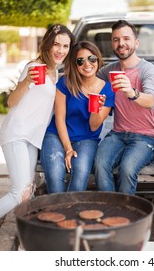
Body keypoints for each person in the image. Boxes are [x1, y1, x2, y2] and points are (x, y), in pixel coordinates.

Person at [0, 24, 75, 251]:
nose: (61, 50)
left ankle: (26, 238)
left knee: (27, 192)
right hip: (16, 133)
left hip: (31, 138)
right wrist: (26, 81)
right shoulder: (33, 66)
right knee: (19, 190)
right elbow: (11, 102)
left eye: (65, 46)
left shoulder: (55, 71)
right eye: (56, 44)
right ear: (47, 43)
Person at [94, 20, 154, 195]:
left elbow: (151, 100)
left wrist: (131, 92)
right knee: (99, 165)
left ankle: (125, 216)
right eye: (116, 39)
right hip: (117, 134)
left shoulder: (147, 69)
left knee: (127, 169)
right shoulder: (108, 71)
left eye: (126, 38)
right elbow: (86, 79)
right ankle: (110, 213)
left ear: (136, 43)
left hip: (145, 138)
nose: (121, 43)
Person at [40, 41, 114, 193]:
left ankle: (69, 213)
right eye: (80, 61)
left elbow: (94, 126)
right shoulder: (65, 83)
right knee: (55, 175)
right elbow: (59, 118)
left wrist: (96, 108)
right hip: (57, 135)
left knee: (80, 174)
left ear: (98, 60)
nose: (87, 64)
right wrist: (68, 149)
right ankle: (58, 213)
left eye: (91, 59)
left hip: (87, 138)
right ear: (75, 64)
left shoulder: (108, 90)